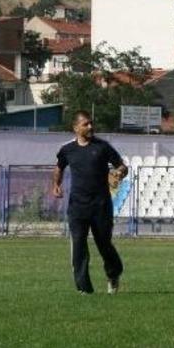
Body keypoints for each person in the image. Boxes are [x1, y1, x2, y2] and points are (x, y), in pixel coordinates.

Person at [53, 110, 127, 295]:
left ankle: (113, 273)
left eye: (91, 123)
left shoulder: (102, 147)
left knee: (104, 244)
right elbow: (59, 166)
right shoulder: (67, 150)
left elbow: (121, 165)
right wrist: (56, 184)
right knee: (78, 244)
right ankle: (84, 288)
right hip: (77, 206)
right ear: (76, 127)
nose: (90, 127)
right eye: (86, 124)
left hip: (100, 205)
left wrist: (119, 173)